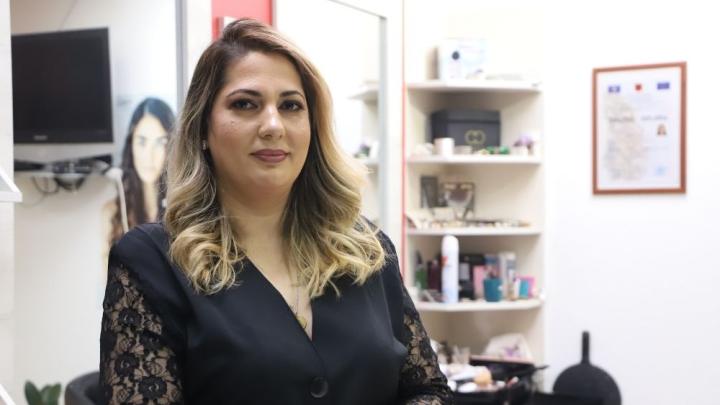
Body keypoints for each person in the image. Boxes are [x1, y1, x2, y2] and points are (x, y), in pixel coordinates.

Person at [99, 18, 452, 405]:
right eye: (245, 104)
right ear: (203, 128)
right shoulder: (153, 263)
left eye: (291, 106)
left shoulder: (367, 250)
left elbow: (427, 390)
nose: (273, 125)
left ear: (311, 127)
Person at [105, 97, 175, 245]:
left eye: (160, 142)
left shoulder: (185, 210)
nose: (149, 156)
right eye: (142, 142)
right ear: (131, 146)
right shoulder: (113, 215)